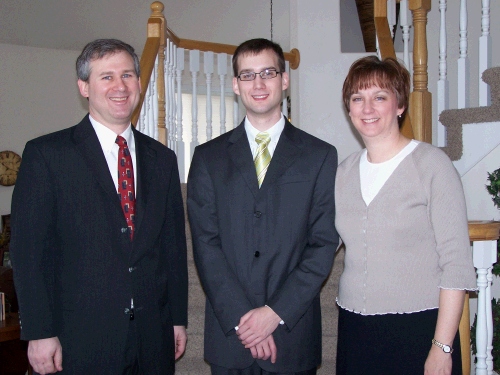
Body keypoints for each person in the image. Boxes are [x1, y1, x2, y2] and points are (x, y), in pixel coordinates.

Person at [10, 39, 188, 375]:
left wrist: (177, 318)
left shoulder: (163, 159)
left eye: (128, 75)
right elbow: (28, 253)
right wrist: (39, 331)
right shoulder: (48, 155)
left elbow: (173, 249)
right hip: (78, 340)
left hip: (153, 337)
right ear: (84, 87)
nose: (120, 86)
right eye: (106, 77)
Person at [187, 38, 339, 375]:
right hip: (232, 339)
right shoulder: (208, 158)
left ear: (284, 81)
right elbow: (205, 244)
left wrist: (274, 313)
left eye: (268, 73)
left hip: (291, 335)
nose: (258, 84)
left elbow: (323, 243)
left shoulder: (320, 156)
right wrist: (245, 321)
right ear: (235, 86)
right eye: (247, 75)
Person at [335, 55, 477, 375]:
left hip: (419, 330)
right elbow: (317, 244)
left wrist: (442, 347)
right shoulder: (341, 173)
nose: (367, 108)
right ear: (349, 109)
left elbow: (455, 264)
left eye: (380, 97)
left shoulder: (432, 166)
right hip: (355, 330)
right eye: (358, 98)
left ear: (399, 105)